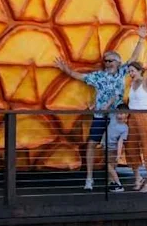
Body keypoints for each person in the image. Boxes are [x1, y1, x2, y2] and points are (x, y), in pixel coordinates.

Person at [54, 48, 128, 191]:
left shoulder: (122, 72)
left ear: (118, 62)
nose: (107, 63)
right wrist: (66, 70)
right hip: (100, 116)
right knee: (92, 144)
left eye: (110, 60)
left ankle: (113, 179)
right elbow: (81, 77)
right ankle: (89, 178)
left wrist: (141, 39)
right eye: (105, 61)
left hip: (115, 117)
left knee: (112, 148)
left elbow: (134, 58)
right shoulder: (99, 76)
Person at [124, 48, 147, 192]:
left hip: (144, 116)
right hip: (131, 117)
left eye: (133, 71)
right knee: (131, 146)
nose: (131, 74)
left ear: (139, 71)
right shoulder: (132, 85)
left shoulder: (146, 84)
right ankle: (138, 178)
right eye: (130, 71)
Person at [105, 103, 132, 191]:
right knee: (111, 167)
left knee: (108, 165)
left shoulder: (124, 128)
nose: (119, 115)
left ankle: (118, 184)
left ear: (127, 115)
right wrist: (112, 101)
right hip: (106, 146)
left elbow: (121, 142)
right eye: (118, 113)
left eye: (122, 114)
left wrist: (118, 154)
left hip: (113, 149)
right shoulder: (113, 118)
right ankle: (112, 183)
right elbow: (106, 109)